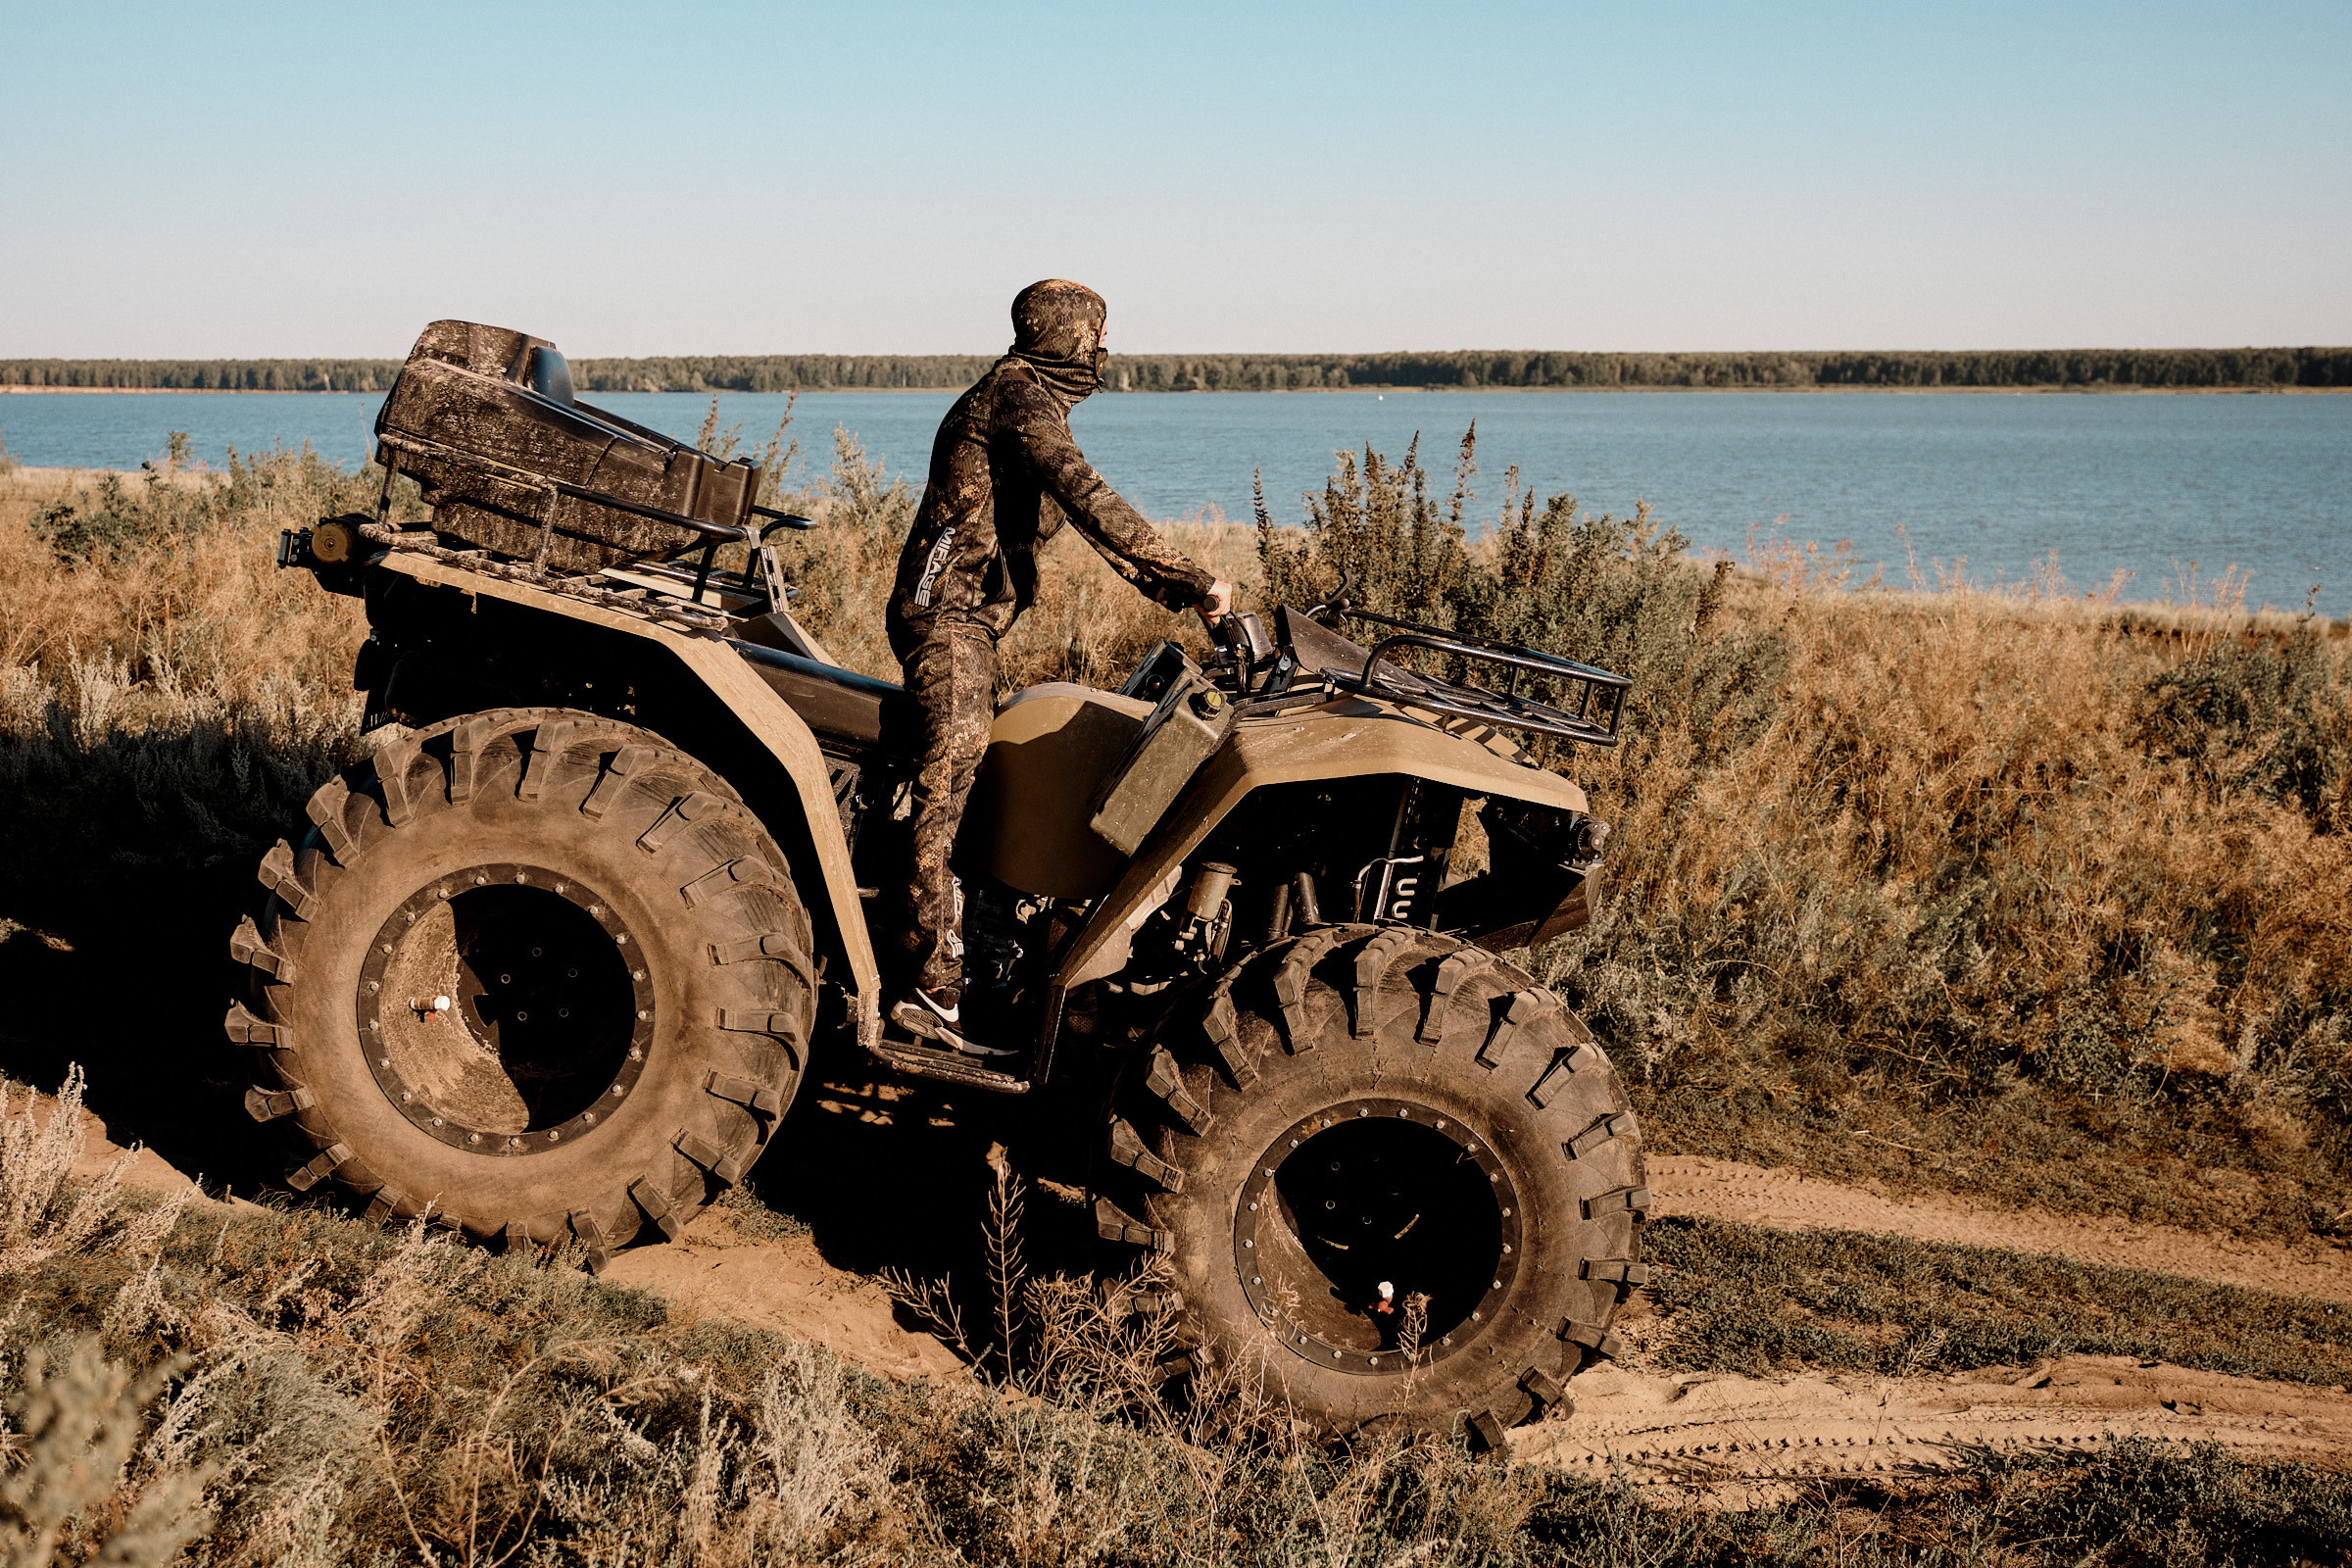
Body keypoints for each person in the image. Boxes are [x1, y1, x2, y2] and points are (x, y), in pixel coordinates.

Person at [885, 278, 1233, 1055]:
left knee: (988, 779)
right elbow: (1087, 496)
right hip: (947, 622)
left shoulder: (1023, 395)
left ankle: (987, 959)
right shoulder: (1017, 397)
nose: (1104, 357)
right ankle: (926, 990)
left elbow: (1083, 518)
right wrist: (1192, 580)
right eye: (1096, 340)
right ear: (1072, 341)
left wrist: (1166, 589)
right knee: (951, 775)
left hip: (974, 625)